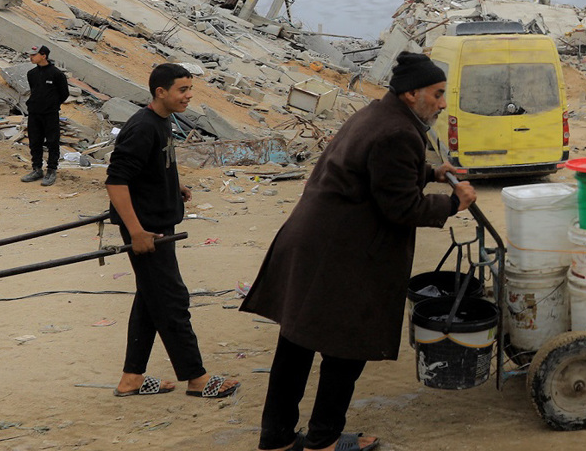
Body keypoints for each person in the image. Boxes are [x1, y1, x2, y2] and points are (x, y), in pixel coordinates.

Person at [241, 52, 477, 451]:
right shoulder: (399, 132)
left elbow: (373, 170)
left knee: (296, 342)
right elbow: (401, 207)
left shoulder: (376, 115)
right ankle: (324, 441)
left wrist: (430, 173)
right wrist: (454, 203)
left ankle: (277, 438)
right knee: (347, 347)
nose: (442, 103)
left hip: (313, 242)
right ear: (411, 94)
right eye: (437, 95)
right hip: (341, 254)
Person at [106, 63, 240, 400]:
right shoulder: (142, 128)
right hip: (147, 231)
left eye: (189, 89)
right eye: (182, 90)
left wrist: (172, 184)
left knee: (151, 300)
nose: (189, 96)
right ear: (160, 92)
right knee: (171, 299)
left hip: (159, 224)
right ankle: (196, 378)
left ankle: (131, 378)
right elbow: (116, 181)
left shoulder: (163, 120)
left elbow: (150, 167)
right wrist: (136, 232)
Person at [20, 45, 69, 187]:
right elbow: (34, 90)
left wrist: (52, 105)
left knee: (52, 142)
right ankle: (36, 169)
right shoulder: (31, 74)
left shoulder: (56, 74)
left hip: (50, 114)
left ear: (43, 56)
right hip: (34, 113)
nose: (31, 57)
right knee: (35, 141)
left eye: (34, 55)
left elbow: (64, 93)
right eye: (30, 55)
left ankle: (52, 170)